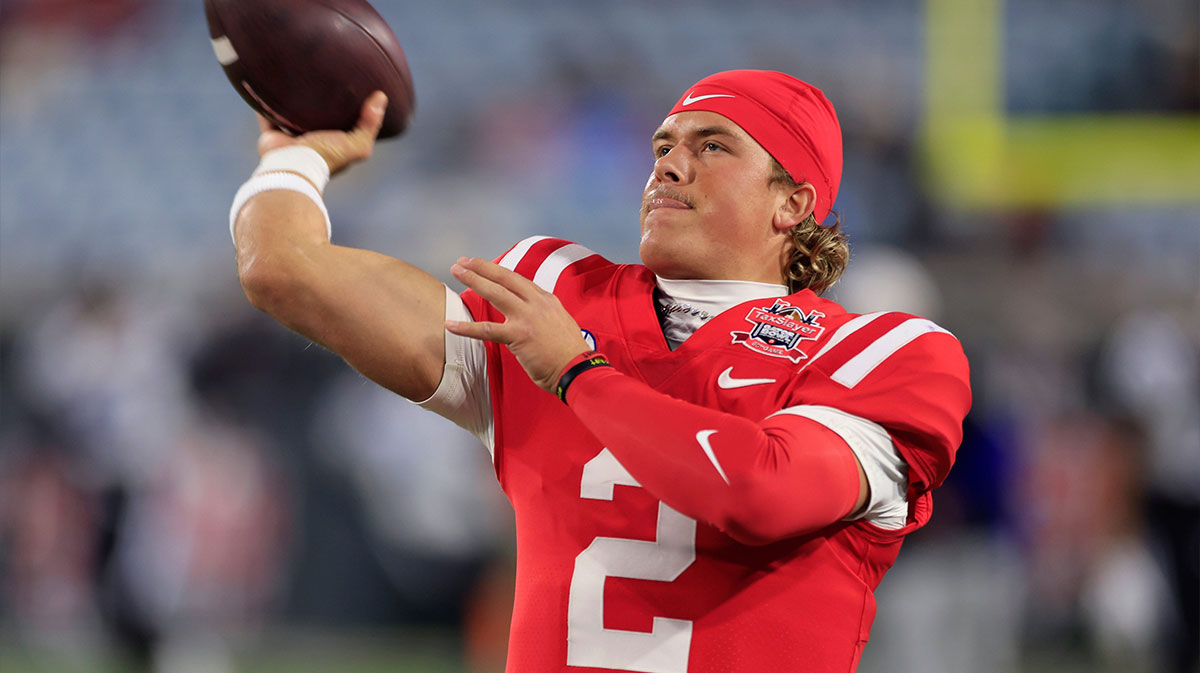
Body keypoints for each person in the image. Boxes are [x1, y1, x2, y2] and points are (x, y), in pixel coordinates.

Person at [228, 70, 971, 672]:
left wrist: (578, 374)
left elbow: (754, 491)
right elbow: (283, 270)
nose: (669, 164)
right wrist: (295, 155)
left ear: (792, 203)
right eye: (663, 144)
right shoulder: (555, 298)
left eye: (713, 146)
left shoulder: (882, 351)